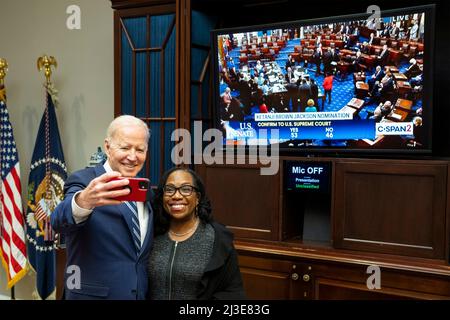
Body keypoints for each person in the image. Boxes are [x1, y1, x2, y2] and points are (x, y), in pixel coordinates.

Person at [51, 115, 153, 300]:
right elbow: (59, 221)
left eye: (140, 149)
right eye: (125, 147)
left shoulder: (145, 191)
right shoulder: (83, 181)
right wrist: (83, 201)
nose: (133, 156)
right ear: (107, 146)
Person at [148, 167, 246, 300]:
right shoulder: (150, 233)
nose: (176, 196)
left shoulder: (218, 239)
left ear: (198, 197)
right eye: (169, 189)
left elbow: (232, 293)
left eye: (186, 189)